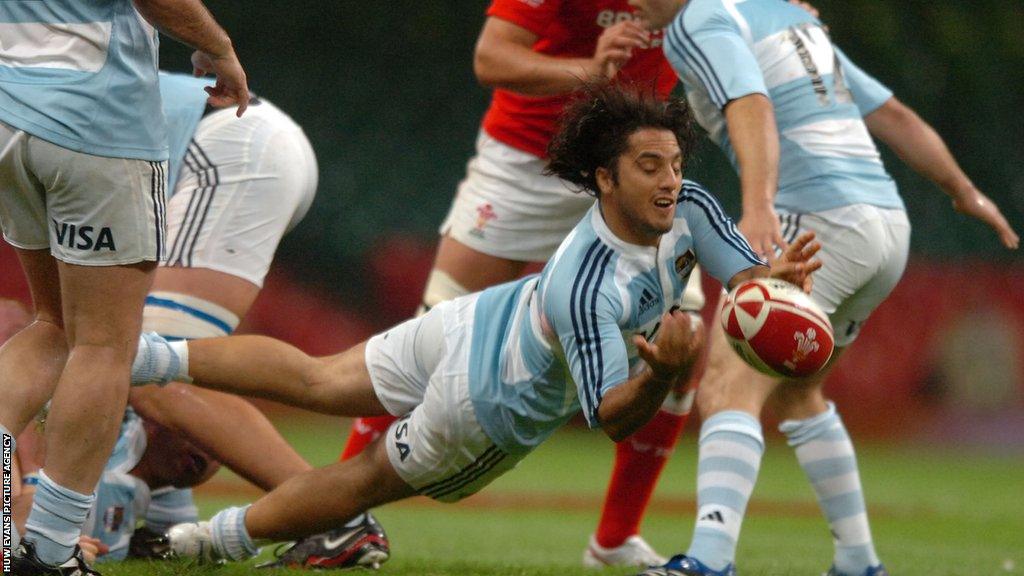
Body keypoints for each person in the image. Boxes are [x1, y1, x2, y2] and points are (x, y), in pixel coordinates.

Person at [128, 85, 820, 566]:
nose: (670, 180)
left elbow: (747, 280)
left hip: (481, 318)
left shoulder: (690, 203)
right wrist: (665, 372)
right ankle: (207, 542)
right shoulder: (586, 288)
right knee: (361, 476)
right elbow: (612, 417)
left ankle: (143, 357)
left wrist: (773, 282)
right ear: (605, 179)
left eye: (674, 163)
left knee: (320, 376)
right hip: (491, 402)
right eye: (648, 167)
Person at [621, 1, 1021, 576]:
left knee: (727, 385)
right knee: (798, 393)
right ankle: (859, 561)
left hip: (817, 218)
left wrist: (758, 209)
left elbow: (749, 101)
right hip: (885, 226)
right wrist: (962, 190)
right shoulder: (790, 17)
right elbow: (896, 115)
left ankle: (709, 560)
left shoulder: (698, 19)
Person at [337, 2, 708, 567]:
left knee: (684, 346)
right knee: (427, 335)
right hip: (525, 162)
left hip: (636, 172)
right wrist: (589, 70)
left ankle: (614, 539)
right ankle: (336, 520)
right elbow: (492, 57)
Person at [0, 1, 249, 574]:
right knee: (104, 345)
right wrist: (219, 46)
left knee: (55, 326)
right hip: (93, 119)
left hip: (10, 114)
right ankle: (53, 549)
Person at [124, 71, 390, 569]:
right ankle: (165, 523)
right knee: (140, 360)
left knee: (152, 368)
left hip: (224, 148)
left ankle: (333, 518)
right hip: (232, 143)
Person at [12, 411, 221, 563]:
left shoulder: (170, 486)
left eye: (222, 454)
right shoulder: (113, 408)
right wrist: (32, 485)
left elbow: (191, 544)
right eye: (203, 435)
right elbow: (24, 399)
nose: (208, 455)